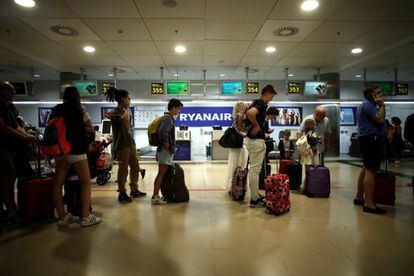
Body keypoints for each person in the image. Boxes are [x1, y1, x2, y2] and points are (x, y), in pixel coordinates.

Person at [51, 86, 101, 227]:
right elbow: (90, 130)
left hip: (60, 151)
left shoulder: (56, 110)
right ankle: (85, 217)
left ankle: (63, 216)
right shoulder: (79, 111)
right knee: (85, 182)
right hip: (76, 151)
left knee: (57, 184)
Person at [0, 82, 36, 224]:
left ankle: (11, 208)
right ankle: (10, 211)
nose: (13, 93)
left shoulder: (7, 107)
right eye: (11, 90)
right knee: (6, 180)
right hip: (2, 149)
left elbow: (14, 126)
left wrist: (25, 135)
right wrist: (23, 137)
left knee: (11, 177)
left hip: (10, 149)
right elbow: (3, 127)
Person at [106, 87, 146, 203]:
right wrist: (126, 108)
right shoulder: (115, 113)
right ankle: (122, 192)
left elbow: (128, 125)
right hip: (122, 144)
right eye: (128, 99)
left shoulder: (125, 111)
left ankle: (134, 189)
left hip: (130, 143)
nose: (130, 101)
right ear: (123, 100)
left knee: (135, 166)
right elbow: (125, 119)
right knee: (123, 169)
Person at [354, 86, 387, 214]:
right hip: (371, 139)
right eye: (378, 93)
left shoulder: (369, 105)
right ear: (370, 95)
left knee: (366, 167)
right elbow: (380, 119)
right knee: (371, 170)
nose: (380, 95)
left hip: (369, 139)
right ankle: (369, 203)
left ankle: (359, 197)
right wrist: (382, 105)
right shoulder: (368, 105)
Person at [244, 84, 277, 208]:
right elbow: (250, 113)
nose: (271, 99)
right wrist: (257, 125)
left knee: (253, 170)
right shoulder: (262, 104)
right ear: (267, 94)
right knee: (255, 171)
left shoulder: (255, 102)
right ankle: (254, 199)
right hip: (256, 142)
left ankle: (255, 194)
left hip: (249, 140)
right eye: (271, 96)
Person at [151, 98, 183, 205]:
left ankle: (159, 195)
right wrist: (167, 145)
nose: (179, 111)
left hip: (165, 151)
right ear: (173, 107)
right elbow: (162, 133)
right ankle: (155, 196)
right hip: (164, 151)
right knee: (161, 174)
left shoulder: (168, 118)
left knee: (163, 174)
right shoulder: (168, 118)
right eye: (178, 109)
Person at [224, 102, 249, 192]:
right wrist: (247, 134)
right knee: (241, 165)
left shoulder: (236, 118)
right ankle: (239, 186)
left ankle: (233, 186)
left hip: (235, 146)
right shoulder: (241, 117)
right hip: (241, 145)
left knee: (233, 165)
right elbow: (242, 131)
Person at [297, 118, 320, 192]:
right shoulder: (313, 133)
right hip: (311, 155)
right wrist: (319, 139)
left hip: (306, 155)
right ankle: (307, 188)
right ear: (311, 125)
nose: (315, 124)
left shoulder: (305, 133)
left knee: (307, 172)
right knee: (310, 173)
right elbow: (313, 143)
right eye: (314, 123)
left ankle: (305, 187)